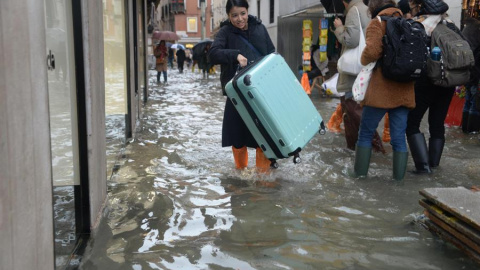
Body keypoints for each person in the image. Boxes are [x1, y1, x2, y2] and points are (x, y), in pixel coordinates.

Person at [208, 0, 275, 172]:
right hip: (236, 93)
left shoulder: (260, 28)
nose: (239, 19)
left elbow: (271, 54)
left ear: (247, 11)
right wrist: (235, 55)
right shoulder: (225, 33)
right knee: (237, 136)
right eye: (234, 15)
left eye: (242, 13)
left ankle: (263, 177)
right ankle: (241, 173)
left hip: (261, 91)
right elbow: (213, 54)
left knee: (265, 134)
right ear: (229, 16)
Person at [353, 0, 416, 180]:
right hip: (404, 89)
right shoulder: (408, 22)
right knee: (398, 138)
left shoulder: (378, 23)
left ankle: (359, 176)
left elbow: (372, 52)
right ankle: (398, 181)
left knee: (365, 134)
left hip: (381, 90)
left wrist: (363, 60)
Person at [332, 0, 387, 153]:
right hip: (365, 68)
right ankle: (353, 149)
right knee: (350, 112)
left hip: (354, 72)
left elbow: (351, 39)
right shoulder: (367, 9)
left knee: (352, 108)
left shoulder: (353, 11)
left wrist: (339, 28)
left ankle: (375, 148)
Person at [406, 0, 452, 174]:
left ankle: (423, 167)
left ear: (419, 6)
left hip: (425, 82)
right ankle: (433, 164)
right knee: (437, 124)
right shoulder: (450, 24)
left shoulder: (420, 25)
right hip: (447, 81)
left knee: (412, 123)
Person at [461, 17, 480, 134]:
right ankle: (472, 130)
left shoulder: (466, 31)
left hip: (467, 71)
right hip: (476, 72)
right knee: (475, 102)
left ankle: (465, 129)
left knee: (468, 100)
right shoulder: (476, 31)